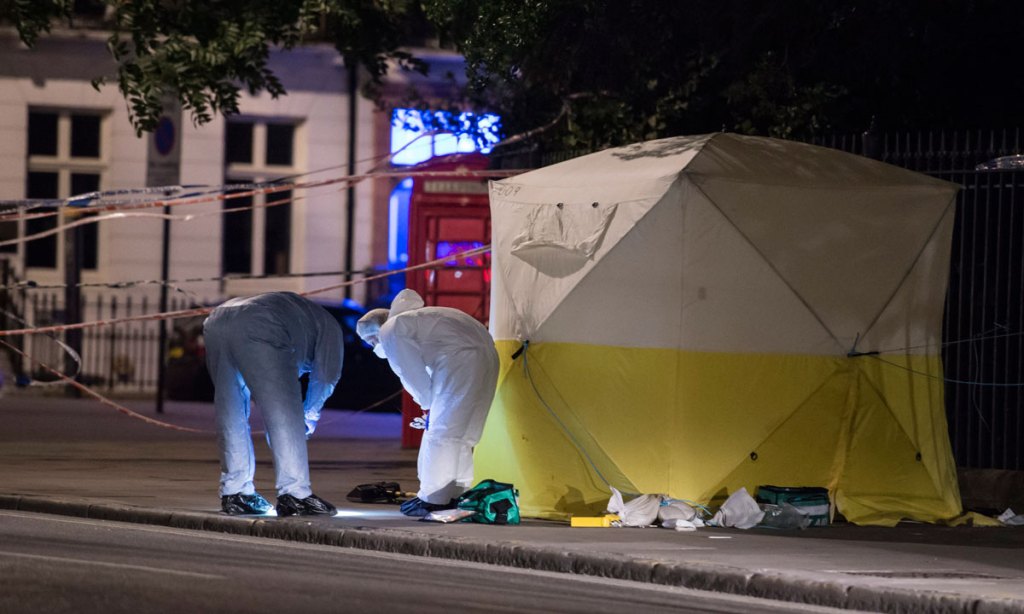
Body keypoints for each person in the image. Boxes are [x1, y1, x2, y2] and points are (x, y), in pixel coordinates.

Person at [356, 289, 500, 517]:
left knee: (441, 434)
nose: (373, 345)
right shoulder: (419, 320)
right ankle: (456, 492)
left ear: (377, 330)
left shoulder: (392, 330)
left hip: (460, 361)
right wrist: (433, 406)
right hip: (486, 357)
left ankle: (434, 499)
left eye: (370, 340)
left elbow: (409, 372)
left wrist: (428, 405)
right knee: (461, 435)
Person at [203, 292, 342, 517]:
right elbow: (326, 377)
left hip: (217, 319)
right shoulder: (332, 329)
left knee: (230, 409)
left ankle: (236, 492)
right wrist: (309, 414)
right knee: (285, 413)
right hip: (264, 321)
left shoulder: (309, 318)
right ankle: (296, 494)